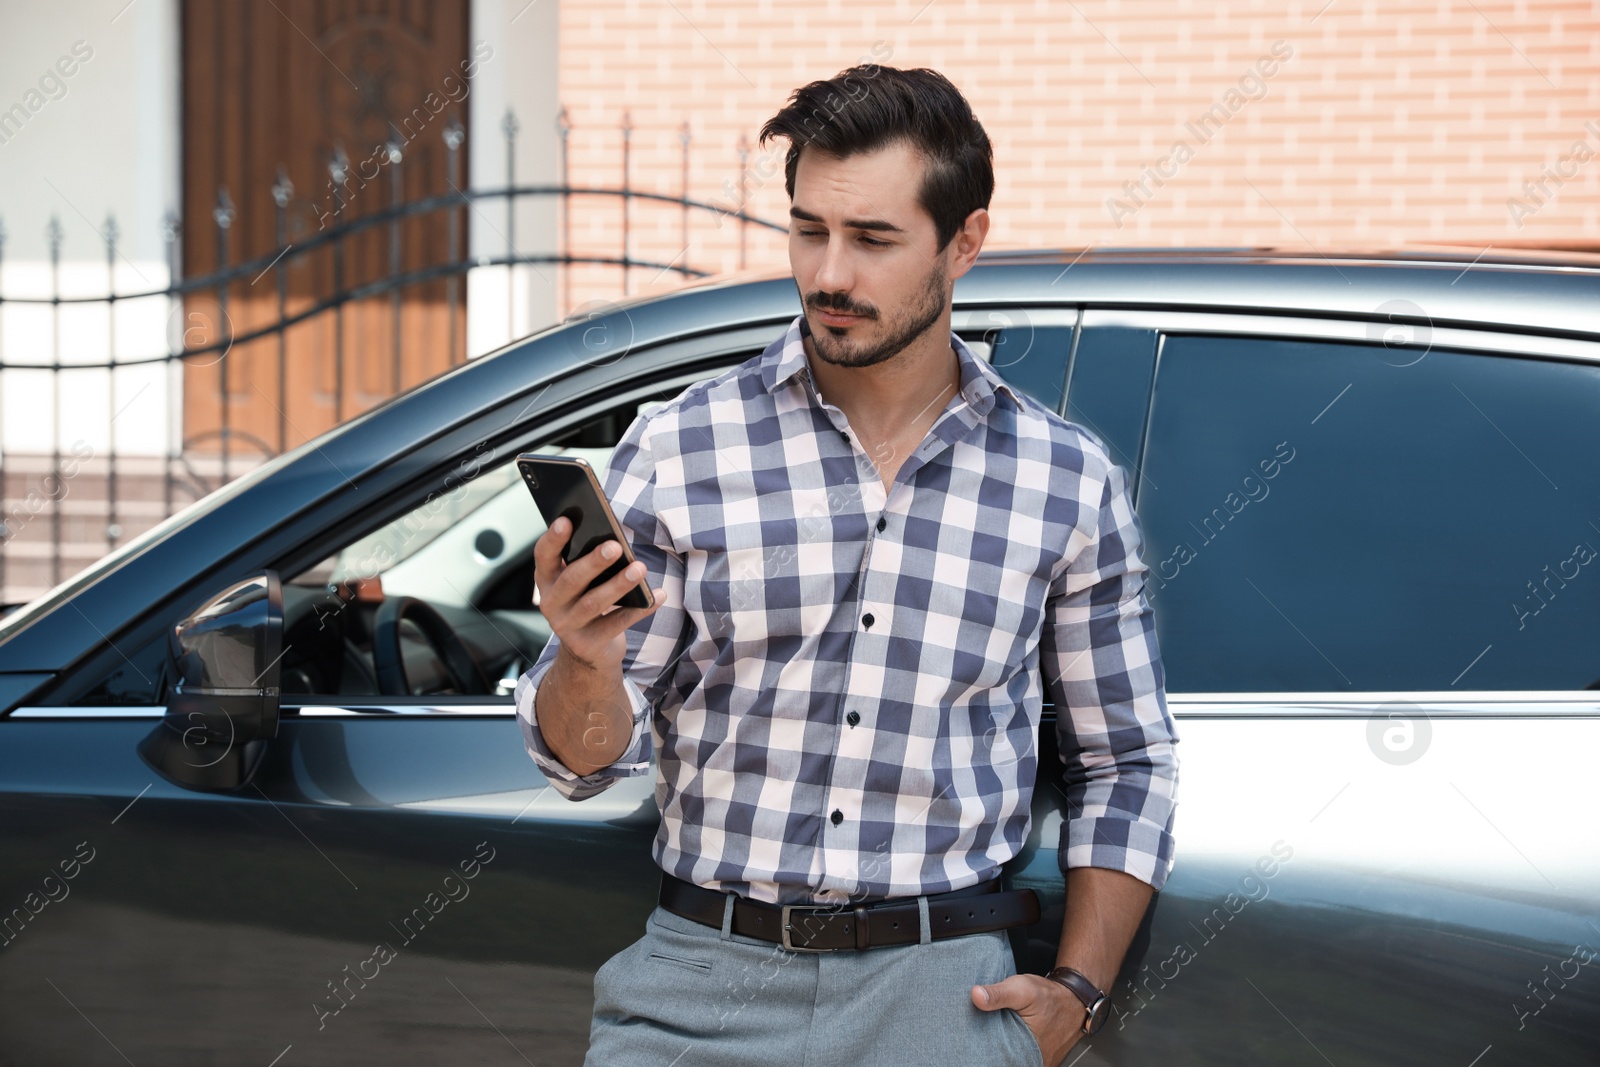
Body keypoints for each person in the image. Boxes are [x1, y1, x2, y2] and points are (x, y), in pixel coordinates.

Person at [516, 65, 1178, 1067]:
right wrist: (584, 660)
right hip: (701, 982)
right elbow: (586, 758)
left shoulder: (1061, 481)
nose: (830, 274)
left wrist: (1077, 993)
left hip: (941, 994)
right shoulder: (681, 444)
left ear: (964, 242)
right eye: (808, 229)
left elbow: (1123, 761)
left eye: (872, 240)